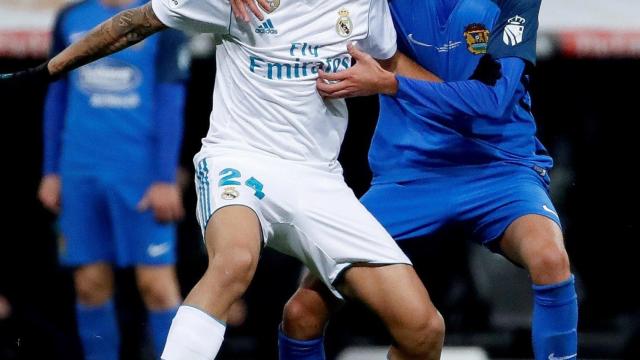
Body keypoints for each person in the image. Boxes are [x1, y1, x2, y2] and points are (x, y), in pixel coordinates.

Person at [2, 0, 449, 359]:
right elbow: (133, 23)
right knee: (233, 261)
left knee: (423, 330)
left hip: (319, 179)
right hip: (238, 159)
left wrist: (456, 100)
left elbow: (391, 62)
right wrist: (41, 74)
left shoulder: (364, 6)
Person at [278, 1, 579, 360]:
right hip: (409, 175)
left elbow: (495, 101)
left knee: (550, 259)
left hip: (499, 168)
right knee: (302, 313)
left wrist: (393, 84)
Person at [36, 0, 189, 358]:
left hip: (140, 176)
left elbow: (171, 100)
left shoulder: (161, 14)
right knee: (90, 286)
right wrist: (51, 171)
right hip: (80, 172)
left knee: (157, 286)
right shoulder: (71, 17)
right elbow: (56, 93)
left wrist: (164, 177)